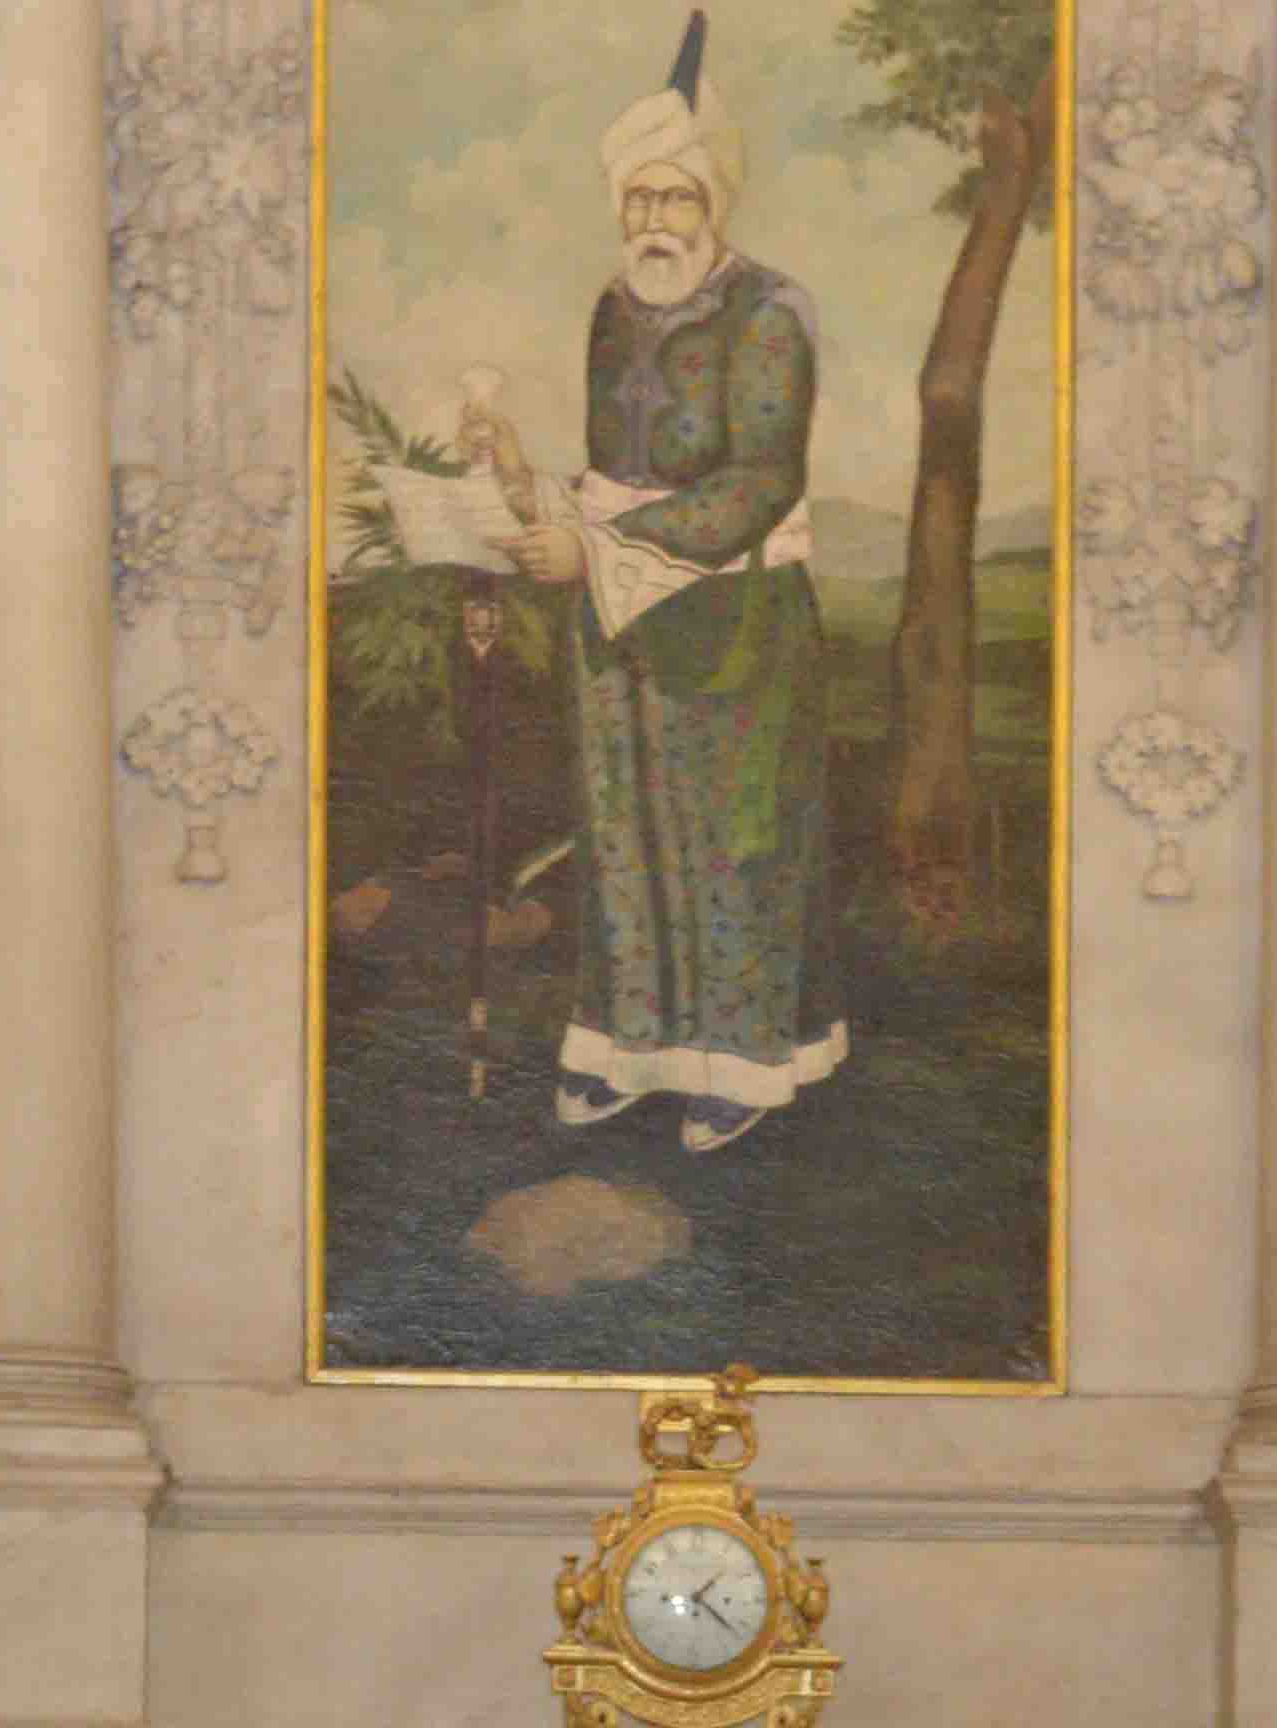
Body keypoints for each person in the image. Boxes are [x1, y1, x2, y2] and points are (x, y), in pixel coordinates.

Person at [522, 18, 836, 1150]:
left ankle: (739, 1068)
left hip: (731, 616)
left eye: (677, 201)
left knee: (729, 842)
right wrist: (543, 511)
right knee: (622, 833)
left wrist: (603, 546)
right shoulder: (614, 308)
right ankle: (630, 1052)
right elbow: (614, 465)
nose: (654, 223)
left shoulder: (769, 314)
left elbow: (758, 481)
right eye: (638, 200)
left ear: (717, 208)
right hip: (617, 615)